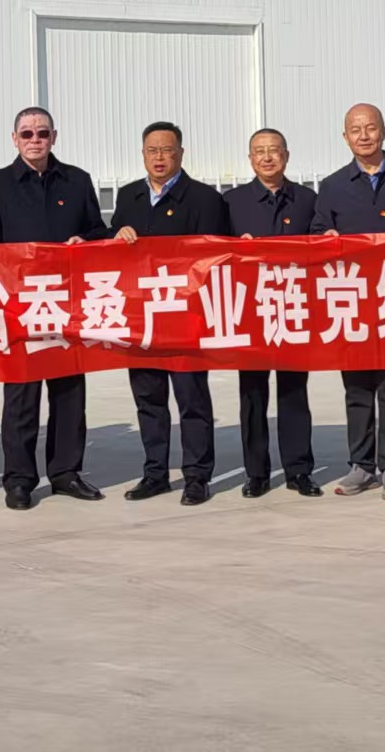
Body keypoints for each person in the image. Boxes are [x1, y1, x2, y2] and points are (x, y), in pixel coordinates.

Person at [0, 107, 110, 511]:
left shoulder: (77, 180)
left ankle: (66, 473)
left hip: (68, 306)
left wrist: (85, 242)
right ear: (14, 139)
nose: (35, 140)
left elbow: (97, 232)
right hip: (19, 308)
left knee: (69, 395)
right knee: (21, 398)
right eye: (27, 133)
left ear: (54, 137)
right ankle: (19, 479)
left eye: (43, 133)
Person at [110, 121, 232, 506]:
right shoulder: (128, 197)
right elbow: (110, 255)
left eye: (166, 150)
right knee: (149, 399)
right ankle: (155, 473)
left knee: (191, 399)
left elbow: (214, 257)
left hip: (185, 317)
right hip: (140, 318)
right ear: (143, 154)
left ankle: (197, 475)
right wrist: (116, 236)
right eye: (152, 151)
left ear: (181, 153)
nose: (159, 157)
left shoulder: (205, 199)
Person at [312, 102, 385, 500]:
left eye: (371, 128)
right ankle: (360, 465)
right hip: (352, 302)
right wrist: (324, 238)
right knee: (357, 389)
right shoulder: (332, 186)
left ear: (384, 131)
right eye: (355, 129)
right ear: (345, 137)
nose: (364, 136)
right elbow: (317, 232)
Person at [223, 128, 321, 498]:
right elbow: (213, 252)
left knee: (294, 392)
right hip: (250, 310)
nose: (267, 157)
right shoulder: (231, 203)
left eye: (274, 150)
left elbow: (321, 246)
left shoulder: (308, 200)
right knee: (252, 395)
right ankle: (256, 473)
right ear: (250, 159)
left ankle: (299, 470)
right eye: (259, 151)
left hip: (294, 308)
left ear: (286, 155)